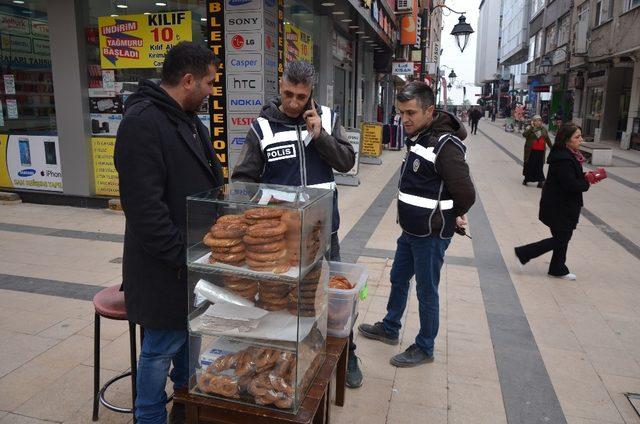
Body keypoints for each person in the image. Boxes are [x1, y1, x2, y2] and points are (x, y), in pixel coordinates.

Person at [230, 60, 362, 386]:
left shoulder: (328, 118)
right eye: (288, 94)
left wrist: (320, 136)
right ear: (280, 85)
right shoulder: (261, 127)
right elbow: (243, 182)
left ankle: (349, 355)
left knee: (334, 298)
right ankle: (286, 357)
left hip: (324, 233)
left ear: (310, 93)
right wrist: (263, 213)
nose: (293, 102)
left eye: (301, 97)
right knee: (285, 299)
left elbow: (347, 161)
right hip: (281, 240)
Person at [114, 42, 224, 424]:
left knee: (188, 344)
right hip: (165, 268)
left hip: (193, 265)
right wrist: (184, 255)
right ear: (188, 79)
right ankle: (148, 417)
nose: (212, 91)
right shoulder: (143, 122)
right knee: (159, 349)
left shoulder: (187, 118)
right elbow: (145, 210)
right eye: (209, 83)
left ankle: (185, 409)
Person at [358, 82, 475, 367]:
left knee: (426, 291)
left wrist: (451, 215)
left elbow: (466, 193)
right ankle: (390, 327)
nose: (404, 119)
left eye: (411, 112)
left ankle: (425, 346)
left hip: (431, 235)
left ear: (429, 111)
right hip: (411, 231)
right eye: (401, 113)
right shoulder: (421, 137)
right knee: (398, 278)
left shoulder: (446, 146)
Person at [514, 123, 599, 281]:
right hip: (560, 206)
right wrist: (586, 182)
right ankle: (523, 253)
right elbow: (570, 184)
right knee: (561, 239)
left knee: (563, 237)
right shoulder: (563, 158)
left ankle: (557, 268)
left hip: (562, 204)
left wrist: (585, 176)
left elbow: (571, 178)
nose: (581, 139)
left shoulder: (568, 155)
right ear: (567, 140)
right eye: (577, 137)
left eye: (580, 136)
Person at [522, 114, 552, 188]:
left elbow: (547, 139)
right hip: (531, 151)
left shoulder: (543, 129)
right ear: (533, 122)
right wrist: (532, 127)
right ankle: (526, 179)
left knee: (539, 166)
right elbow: (524, 134)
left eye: (540, 120)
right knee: (530, 165)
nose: (538, 122)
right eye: (536, 121)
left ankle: (540, 182)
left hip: (541, 151)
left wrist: (552, 147)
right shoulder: (530, 128)